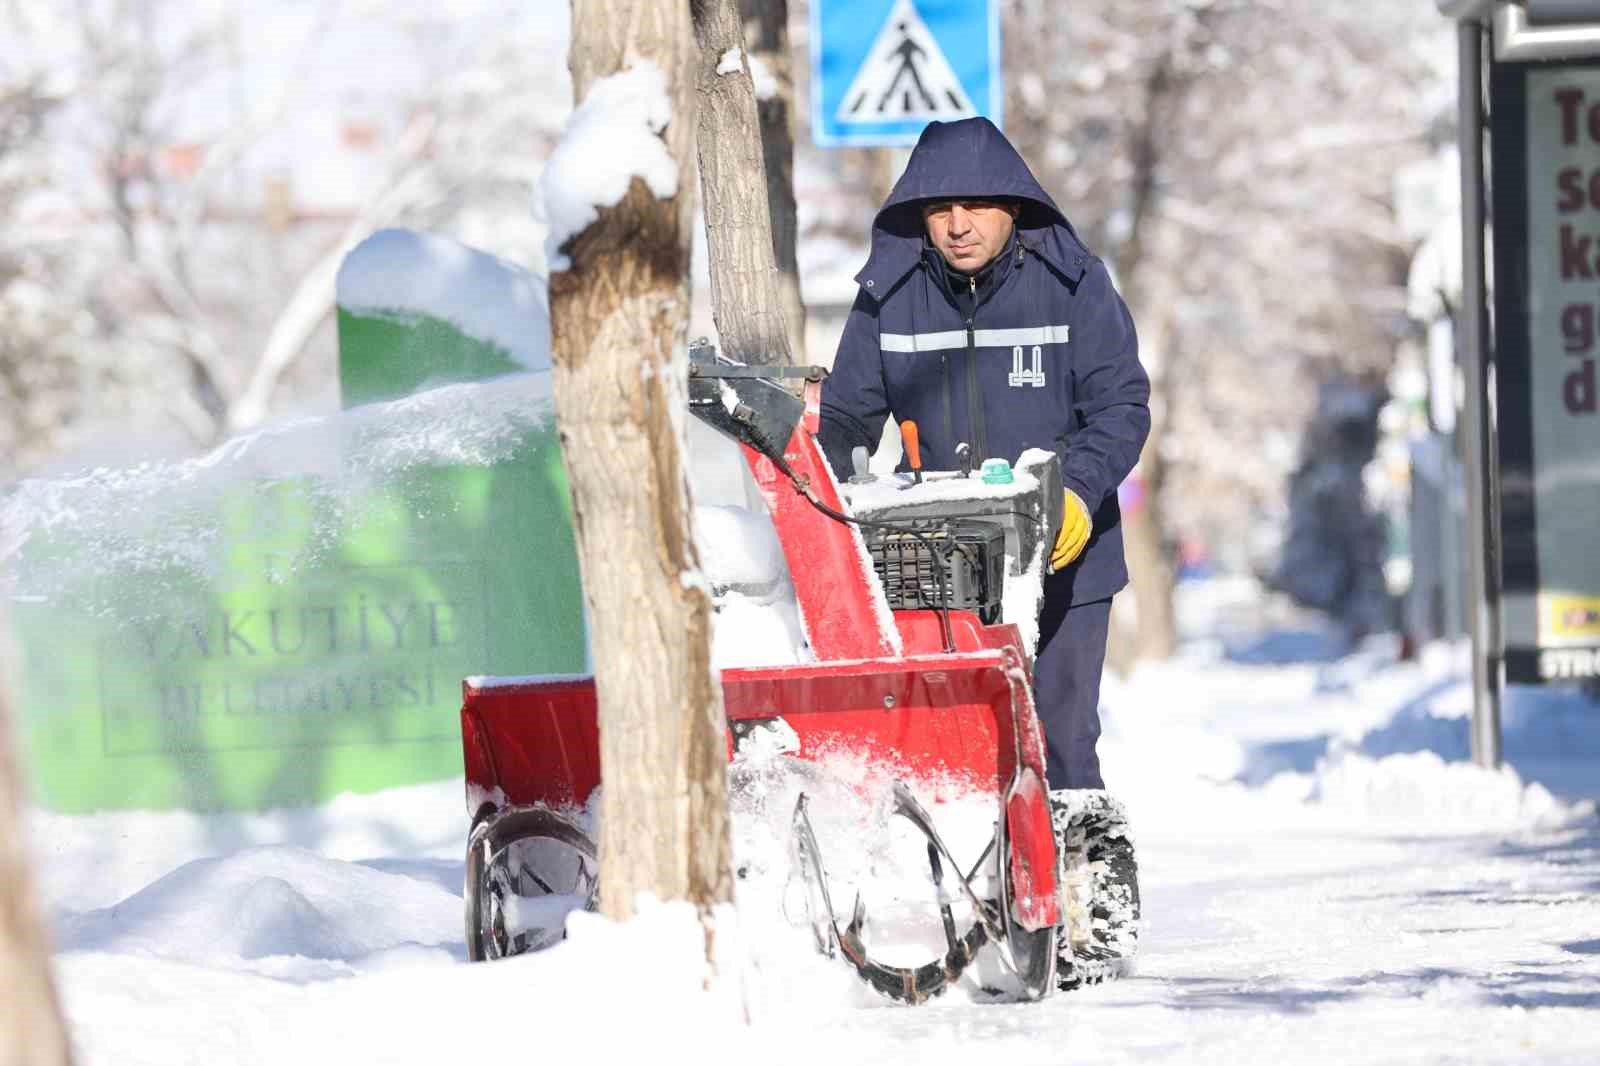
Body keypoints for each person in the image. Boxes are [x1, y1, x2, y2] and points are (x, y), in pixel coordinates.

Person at [819, 117, 1150, 796]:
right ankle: (977, 888)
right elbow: (849, 416)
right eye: (940, 209)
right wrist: (831, 499)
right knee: (955, 752)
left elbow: (1121, 407)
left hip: (1064, 559)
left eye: (975, 206)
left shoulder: (1074, 284)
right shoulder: (889, 298)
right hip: (939, 569)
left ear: (1014, 208)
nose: (958, 224)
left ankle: (1075, 888)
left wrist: (1076, 491)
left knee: (1061, 745)